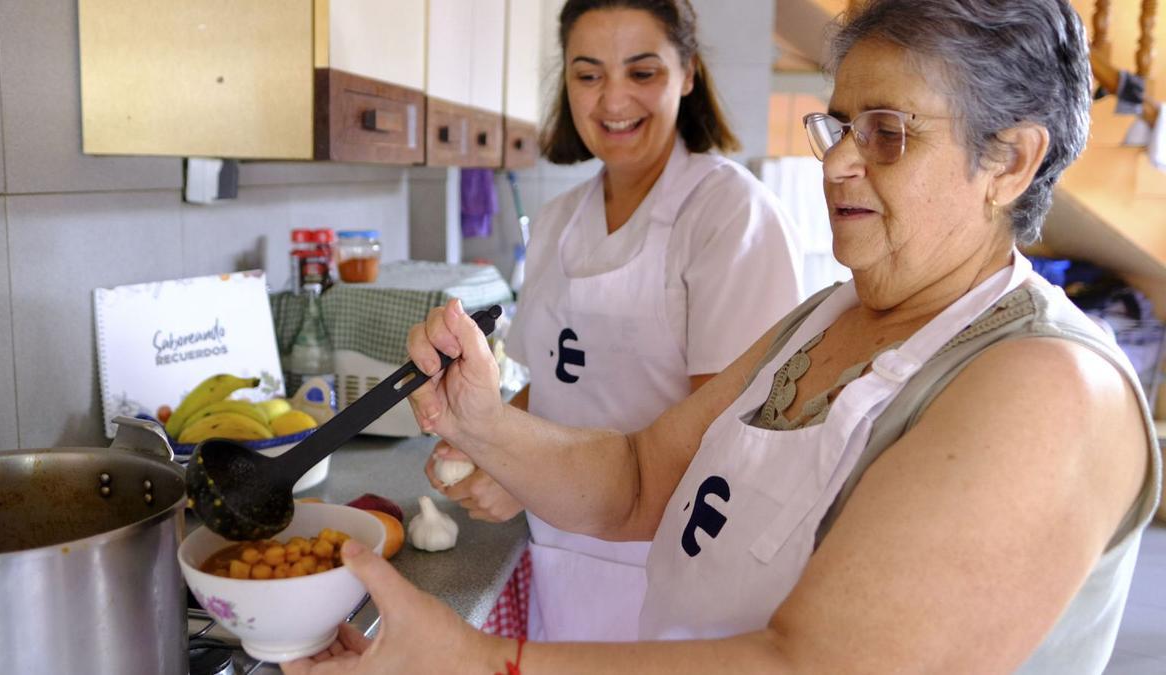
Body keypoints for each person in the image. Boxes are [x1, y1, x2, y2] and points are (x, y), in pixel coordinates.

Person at [285, 0, 1161, 672]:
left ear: (1007, 161)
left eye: (888, 133)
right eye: (840, 125)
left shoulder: (1044, 386)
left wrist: (480, 660)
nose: (838, 161)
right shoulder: (828, 317)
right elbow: (636, 481)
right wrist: (482, 421)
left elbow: (812, 664)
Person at [422, 0, 803, 643]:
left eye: (643, 72)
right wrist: (485, 443)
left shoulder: (729, 215)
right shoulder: (557, 222)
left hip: (677, 575)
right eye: (588, 74)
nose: (612, 99)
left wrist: (529, 481)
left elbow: (730, 440)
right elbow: (553, 385)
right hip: (562, 564)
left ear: (688, 75)